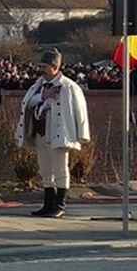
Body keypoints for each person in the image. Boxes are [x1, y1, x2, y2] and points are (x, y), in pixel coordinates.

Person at [15, 48, 89, 218]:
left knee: (60, 169)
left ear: (55, 67)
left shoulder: (69, 87)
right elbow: (28, 103)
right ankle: (48, 204)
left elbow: (80, 110)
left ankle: (60, 204)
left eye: (45, 67)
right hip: (40, 133)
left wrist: (82, 135)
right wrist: (43, 96)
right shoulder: (38, 86)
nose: (41, 70)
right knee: (45, 169)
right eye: (40, 66)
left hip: (59, 133)